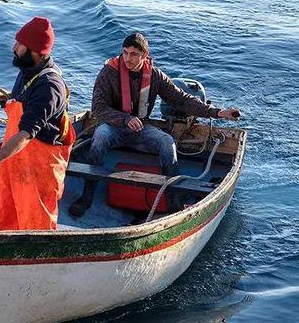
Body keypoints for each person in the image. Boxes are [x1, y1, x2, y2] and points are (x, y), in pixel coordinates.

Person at [67, 32, 240, 218]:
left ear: (145, 56)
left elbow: (181, 99)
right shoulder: (108, 73)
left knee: (167, 142)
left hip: (142, 129)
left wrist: (216, 112)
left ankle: (174, 201)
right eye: (124, 53)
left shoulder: (155, 76)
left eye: (133, 54)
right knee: (100, 136)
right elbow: (98, 108)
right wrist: (124, 119)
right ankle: (87, 195)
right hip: (113, 127)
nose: (127, 59)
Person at [0, 17, 74, 231]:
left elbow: (27, 132)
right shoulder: (27, 71)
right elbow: (16, 102)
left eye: (19, 44)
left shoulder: (50, 87)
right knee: (2, 211)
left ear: (35, 50)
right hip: (13, 158)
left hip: (40, 165)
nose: (14, 48)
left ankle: (40, 260)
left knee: (36, 221)